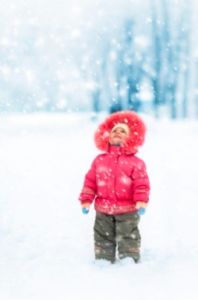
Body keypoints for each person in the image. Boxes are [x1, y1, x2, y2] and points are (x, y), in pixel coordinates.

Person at [78, 111, 150, 263]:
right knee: (102, 234)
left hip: (127, 209)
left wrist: (141, 200)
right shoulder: (99, 160)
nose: (117, 132)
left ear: (131, 137)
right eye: (114, 131)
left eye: (123, 131)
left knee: (128, 234)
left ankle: (129, 258)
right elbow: (90, 181)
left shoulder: (136, 162)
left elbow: (141, 184)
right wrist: (86, 198)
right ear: (107, 136)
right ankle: (103, 258)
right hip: (103, 209)